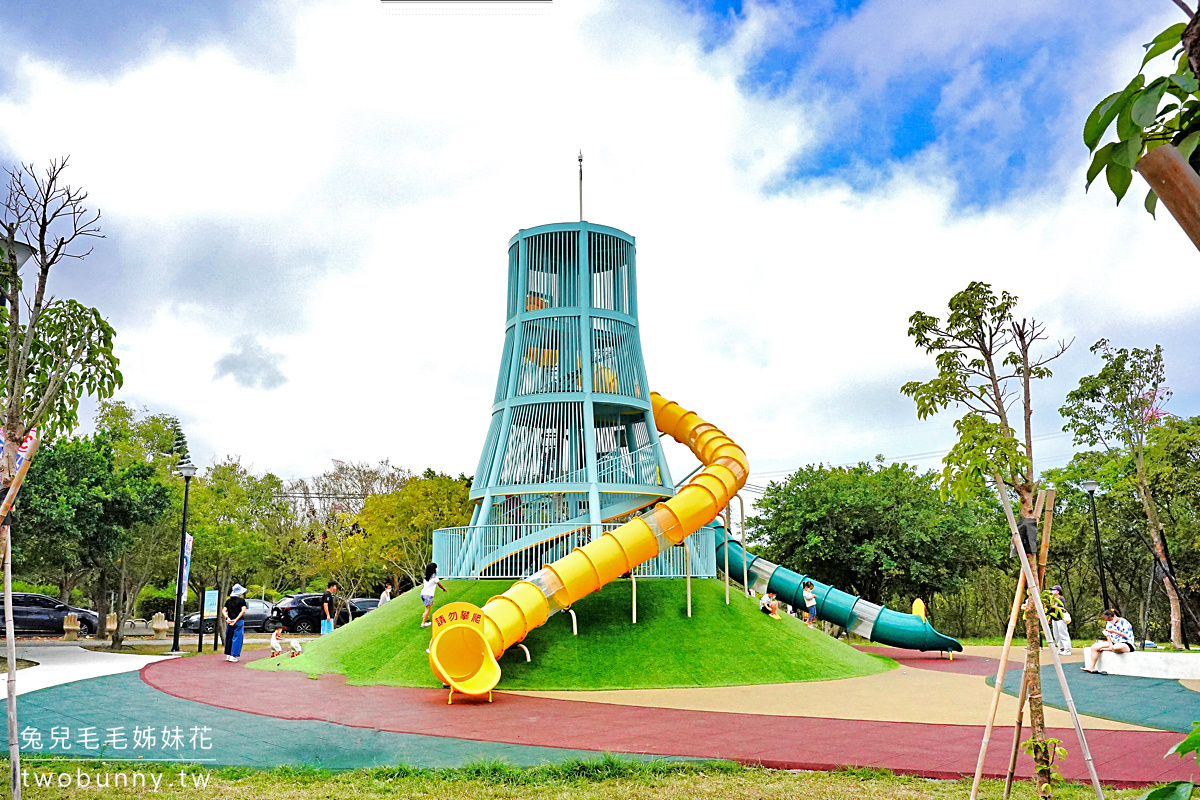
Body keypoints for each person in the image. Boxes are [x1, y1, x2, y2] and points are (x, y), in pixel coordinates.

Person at [1083, 608, 1134, 673]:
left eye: (1110, 620)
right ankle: (1091, 667)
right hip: (1113, 642)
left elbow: (1127, 635)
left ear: (1114, 616)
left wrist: (1115, 632)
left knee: (1116, 647)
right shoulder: (1109, 624)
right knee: (1094, 647)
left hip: (1125, 643)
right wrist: (1110, 644)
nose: (1109, 621)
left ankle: (1106, 649)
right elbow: (1107, 634)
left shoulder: (1124, 622)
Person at [222, 584, 248, 662]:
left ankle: (228, 654)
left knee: (229, 637)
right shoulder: (242, 601)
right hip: (238, 621)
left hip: (229, 621)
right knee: (237, 638)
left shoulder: (228, 601)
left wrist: (227, 618)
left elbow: (223, 610)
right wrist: (236, 619)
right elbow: (243, 610)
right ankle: (233, 655)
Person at [420, 563, 447, 628]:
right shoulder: (435, 578)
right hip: (428, 595)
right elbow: (439, 585)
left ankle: (425, 615)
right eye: (436, 567)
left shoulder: (426, 578)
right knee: (428, 609)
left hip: (423, 594)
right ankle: (423, 623)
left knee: (429, 604)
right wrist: (444, 589)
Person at [1048, 585, 1072, 655]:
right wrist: (1049, 618)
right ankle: (1061, 648)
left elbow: (1063, 608)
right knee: (1056, 634)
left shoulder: (1061, 599)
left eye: (1054, 590)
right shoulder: (1052, 599)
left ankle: (1067, 649)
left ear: (1058, 591)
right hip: (1054, 618)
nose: (1053, 591)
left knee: (1063, 633)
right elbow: (1051, 610)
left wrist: (1056, 607)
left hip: (1060, 618)